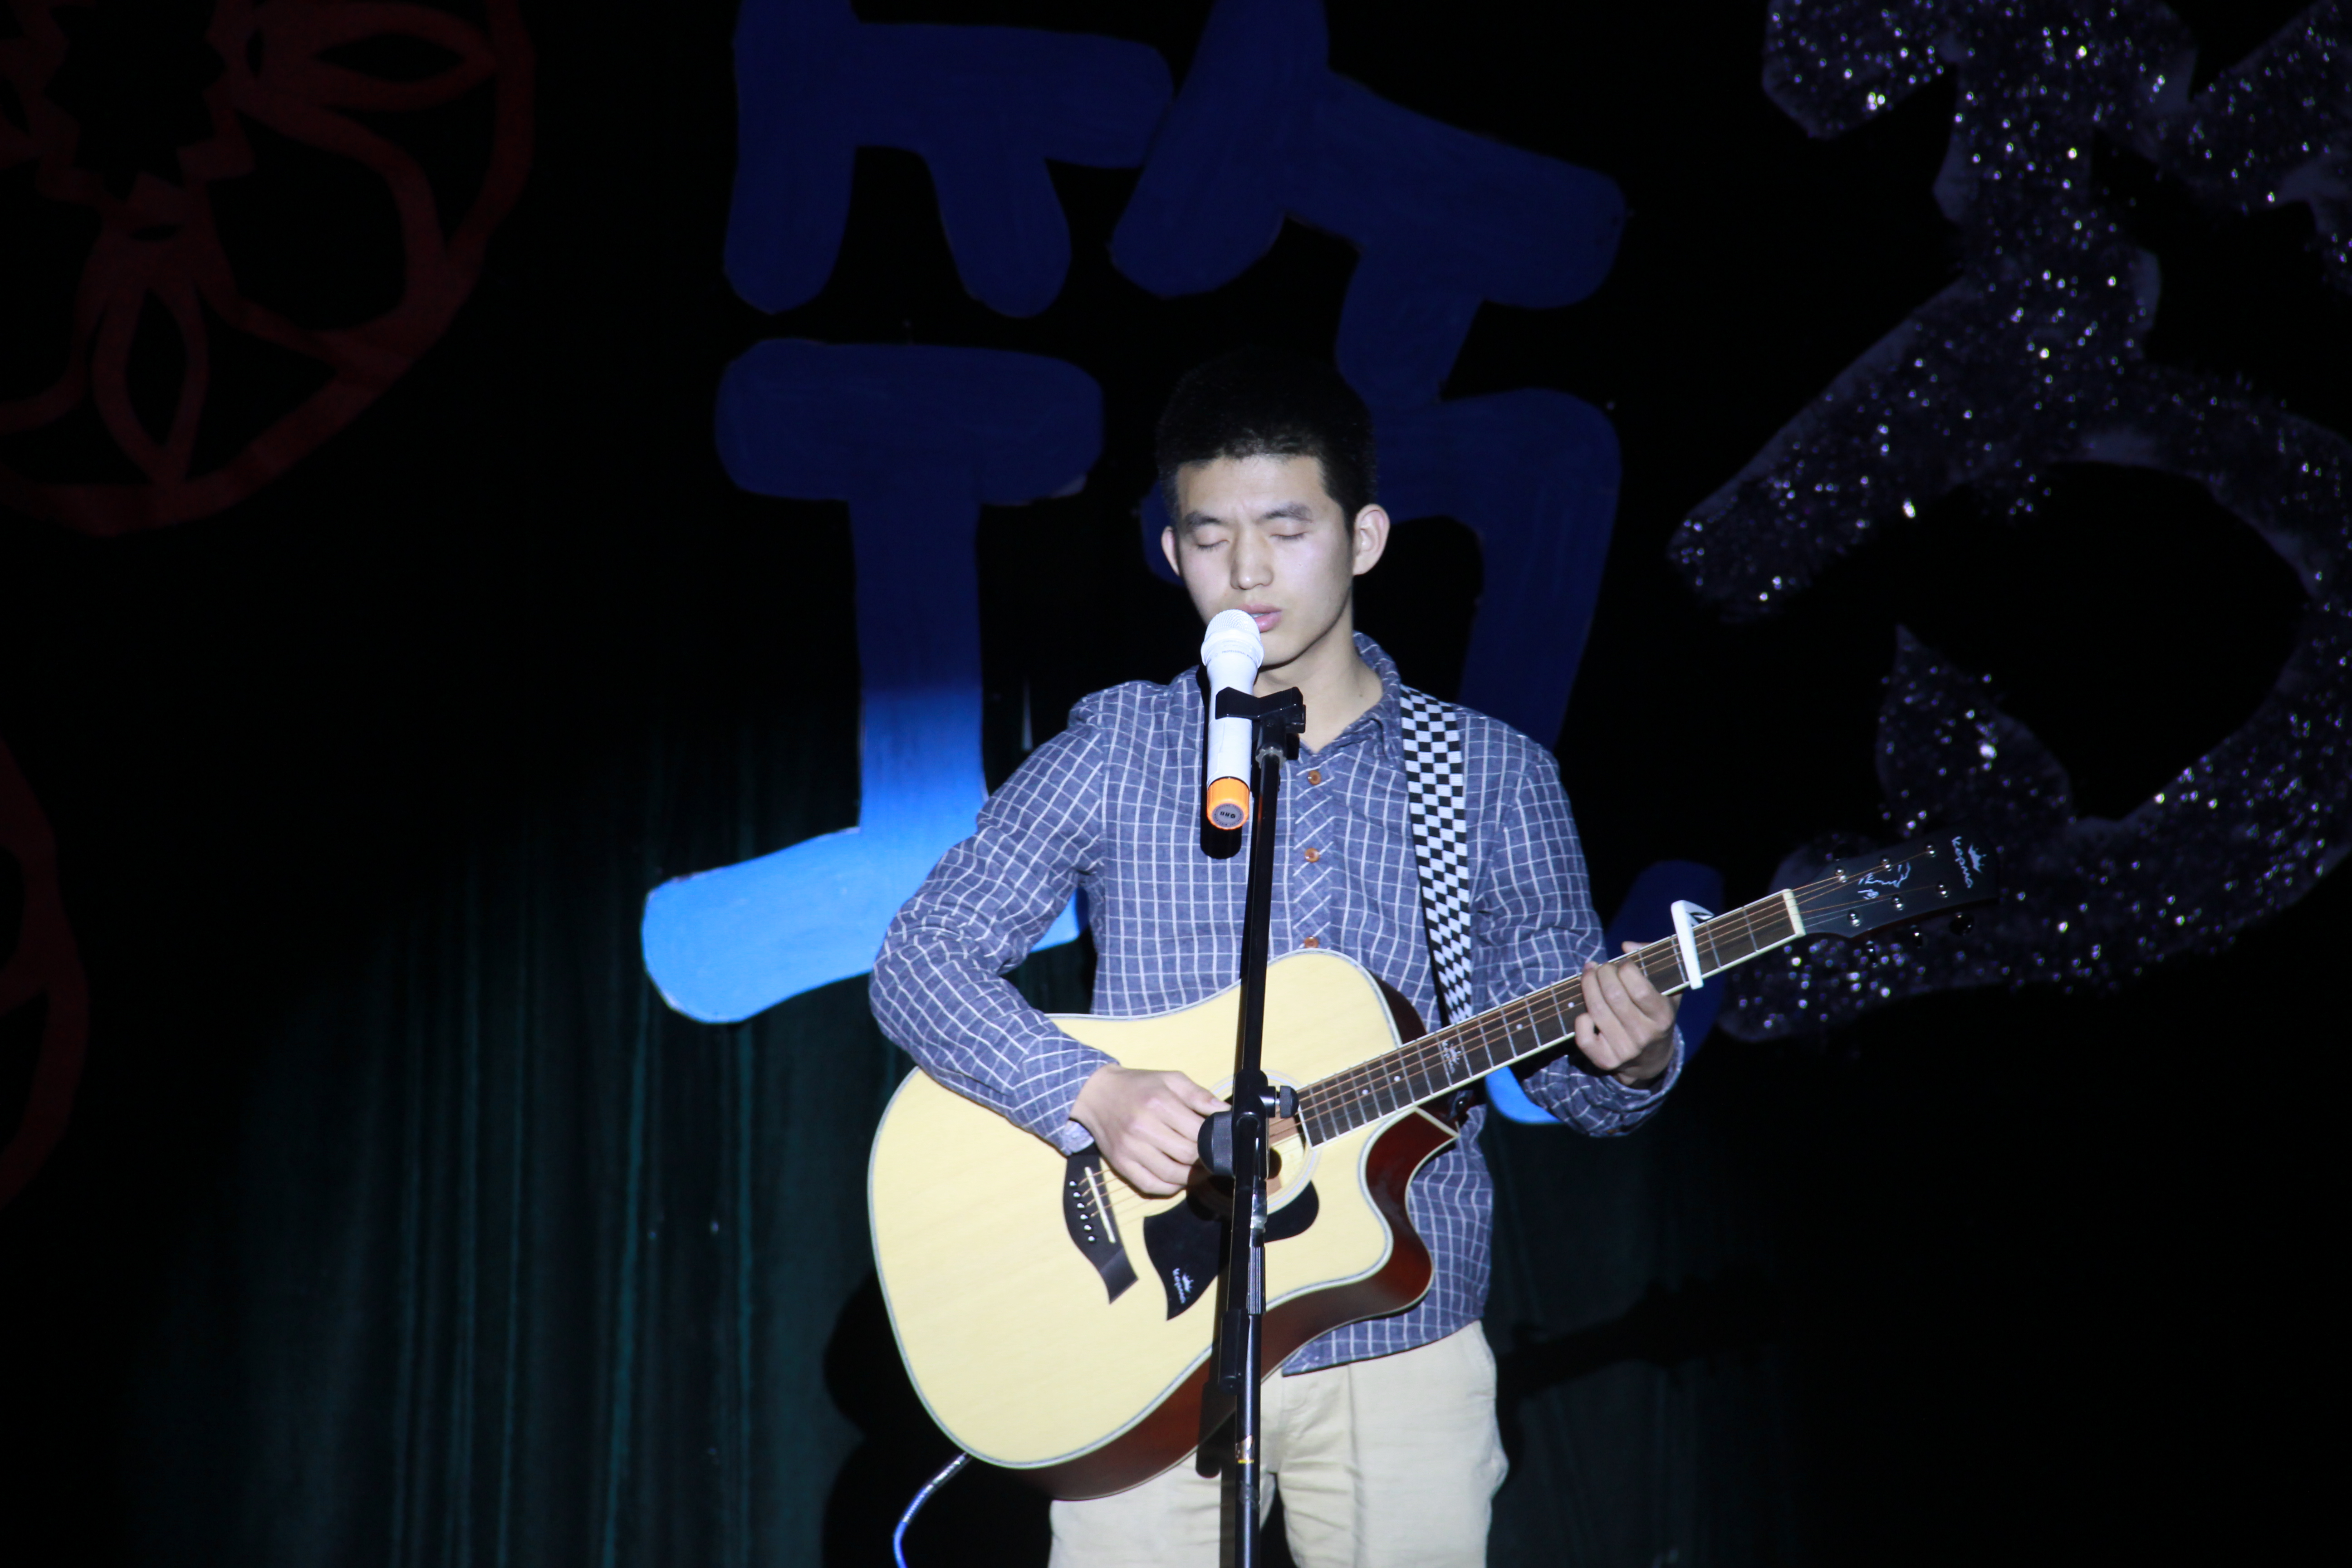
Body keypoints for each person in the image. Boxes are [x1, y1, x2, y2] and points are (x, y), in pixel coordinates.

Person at [869, 347, 1681, 1568]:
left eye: (1287, 529)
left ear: (1365, 538)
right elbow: (920, 959)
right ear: (1172, 551)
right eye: (1211, 537)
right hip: (1144, 1338)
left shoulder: (1491, 776)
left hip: (1400, 1330)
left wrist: (1633, 1058)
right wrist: (1090, 1094)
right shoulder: (1121, 747)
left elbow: (1572, 1077)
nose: (1247, 572)